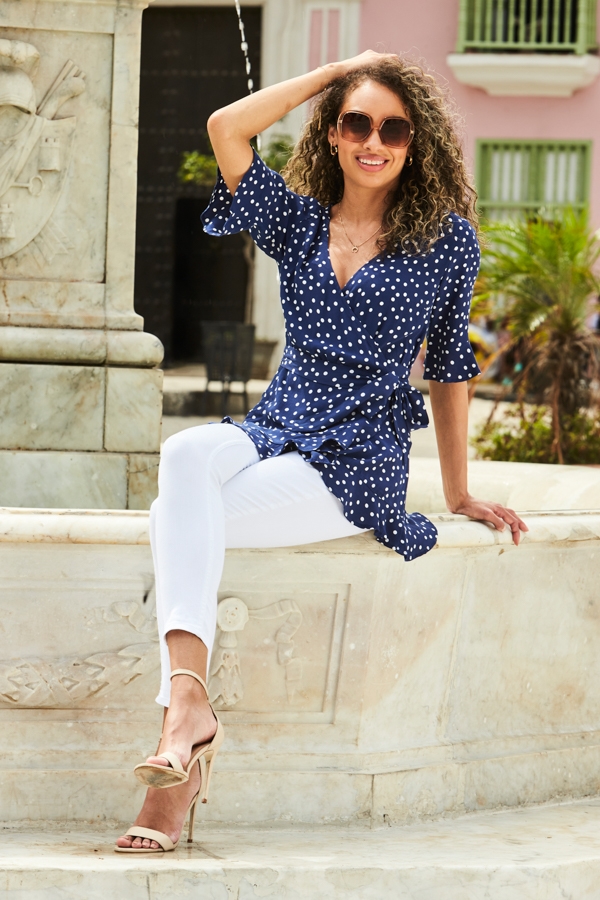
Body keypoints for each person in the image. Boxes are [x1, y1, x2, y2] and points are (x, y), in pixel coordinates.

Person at [116, 51, 528, 853]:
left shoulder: (446, 243)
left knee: (174, 520)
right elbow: (226, 127)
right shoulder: (299, 220)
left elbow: (449, 368)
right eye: (357, 123)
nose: (374, 141)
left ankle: (179, 744)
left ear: (416, 143)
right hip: (275, 427)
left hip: (358, 462)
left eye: (394, 129)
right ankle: (188, 710)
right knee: (186, 458)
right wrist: (342, 69)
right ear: (333, 133)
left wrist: (457, 492)